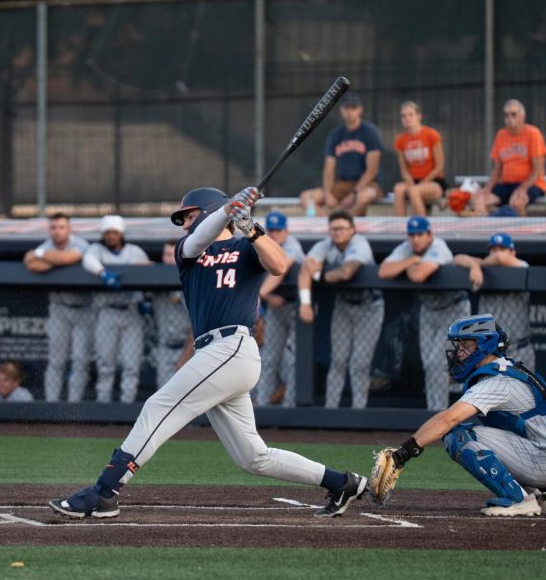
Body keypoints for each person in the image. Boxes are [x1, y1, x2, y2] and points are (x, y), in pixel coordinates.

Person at [49, 186, 369, 520]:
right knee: (253, 457)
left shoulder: (246, 246)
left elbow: (279, 264)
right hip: (213, 352)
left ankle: (105, 492)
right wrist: (228, 209)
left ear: (207, 210)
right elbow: (200, 237)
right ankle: (343, 483)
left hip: (233, 347)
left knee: (158, 406)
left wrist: (250, 227)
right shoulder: (188, 250)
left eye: (189, 216)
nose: (185, 224)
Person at [370, 315, 546, 517]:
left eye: (465, 345)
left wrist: (404, 453)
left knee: (457, 435)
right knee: (488, 430)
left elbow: (448, 419)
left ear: (485, 345)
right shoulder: (505, 368)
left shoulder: (497, 381)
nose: (458, 352)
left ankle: (518, 500)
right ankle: (537, 496)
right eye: (458, 345)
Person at [378, 216, 473, 411]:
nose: (415, 239)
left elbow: (418, 275)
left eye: (420, 234)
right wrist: (412, 260)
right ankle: (434, 411)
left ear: (429, 235)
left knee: (437, 364)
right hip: (429, 310)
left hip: (453, 308)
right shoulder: (406, 249)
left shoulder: (439, 246)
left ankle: (439, 414)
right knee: (429, 365)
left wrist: (407, 265)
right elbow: (383, 271)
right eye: (412, 235)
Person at [298, 211, 382, 409]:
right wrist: (305, 303)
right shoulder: (325, 245)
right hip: (343, 305)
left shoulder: (360, 244)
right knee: (338, 360)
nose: (337, 232)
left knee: (360, 363)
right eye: (334, 229)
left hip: (369, 306)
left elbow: (346, 272)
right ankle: (331, 409)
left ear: (352, 230)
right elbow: (305, 269)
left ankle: (358, 411)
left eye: (342, 228)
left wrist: (319, 276)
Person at [81, 215, 152, 403]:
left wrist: (144, 298)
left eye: (114, 232)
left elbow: (149, 272)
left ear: (121, 234)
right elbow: (88, 260)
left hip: (131, 311)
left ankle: (127, 402)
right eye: (107, 233)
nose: (111, 236)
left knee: (131, 364)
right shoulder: (96, 250)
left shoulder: (135, 251)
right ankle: (103, 402)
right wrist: (103, 273)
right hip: (107, 311)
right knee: (105, 363)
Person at [23, 212, 93, 401]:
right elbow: (31, 263)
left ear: (69, 229)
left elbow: (69, 258)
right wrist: (56, 259)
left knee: (80, 360)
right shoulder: (47, 245)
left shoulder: (81, 244)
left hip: (84, 308)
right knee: (56, 360)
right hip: (59, 308)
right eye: (53, 227)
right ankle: (51, 404)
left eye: (61, 227)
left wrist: (47, 258)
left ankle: (74, 405)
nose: (57, 231)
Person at [453, 232, 534, 371]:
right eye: (493, 249)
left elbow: (500, 258)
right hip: (490, 352)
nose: (497, 252)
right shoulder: (483, 270)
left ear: (513, 252)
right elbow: (457, 259)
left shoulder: (521, 266)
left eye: (502, 248)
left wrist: (478, 263)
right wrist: (474, 265)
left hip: (518, 349)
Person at [299, 93, 383, 216]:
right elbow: (329, 168)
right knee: (306, 197)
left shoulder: (370, 132)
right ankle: (326, 223)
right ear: (341, 110)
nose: (350, 112)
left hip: (368, 185)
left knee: (363, 197)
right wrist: (328, 193)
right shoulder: (336, 135)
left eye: (353, 108)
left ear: (360, 109)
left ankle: (346, 223)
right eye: (346, 108)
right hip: (342, 184)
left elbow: (372, 170)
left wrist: (354, 193)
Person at [254, 211, 305, 407]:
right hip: (276, 308)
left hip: (298, 307)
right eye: (271, 230)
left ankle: (290, 406)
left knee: (293, 360)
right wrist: (267, 296)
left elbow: (280, 270)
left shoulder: (292, 245)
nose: (274, 234)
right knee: (269, 359)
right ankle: (263, 405)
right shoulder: (263, 245)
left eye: (278, 230)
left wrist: (260, 295)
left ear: (286, 231)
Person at [471, 99, 546, 216]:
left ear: (522, 117)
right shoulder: (501, 135)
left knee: (516, 202)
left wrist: (522, 189)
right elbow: (497, 169)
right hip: (507, 185)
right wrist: (487, 188)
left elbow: (537, 170)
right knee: (479, 200)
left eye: (513, 115)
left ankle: (521, 227)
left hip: (531, 185)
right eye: (506, 115)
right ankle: (486, 225)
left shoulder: (533, 133)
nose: (509, 118)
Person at [150, 239, 193, 388]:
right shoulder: (155, 278)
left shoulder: (190, 280)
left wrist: (185, 356)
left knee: (186, 391)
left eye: (172, 255)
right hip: (164, 347)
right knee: (162, 390)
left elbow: (197, 329)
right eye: (166, 254)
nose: (168, 259)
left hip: (187, 347)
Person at [391, 101, 446, 217]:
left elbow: (439, 167)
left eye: (410, 115)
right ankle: (399, 225)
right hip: (413, 181)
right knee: (398, 189)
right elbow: (404, 169)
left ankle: (421, 225)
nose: (407, 118)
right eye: (403, 116)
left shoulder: (431, 134)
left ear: (419, 116)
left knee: (414, 191)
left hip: (433, 181)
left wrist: (422, 183)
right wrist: (411, 183)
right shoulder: (400, 140)